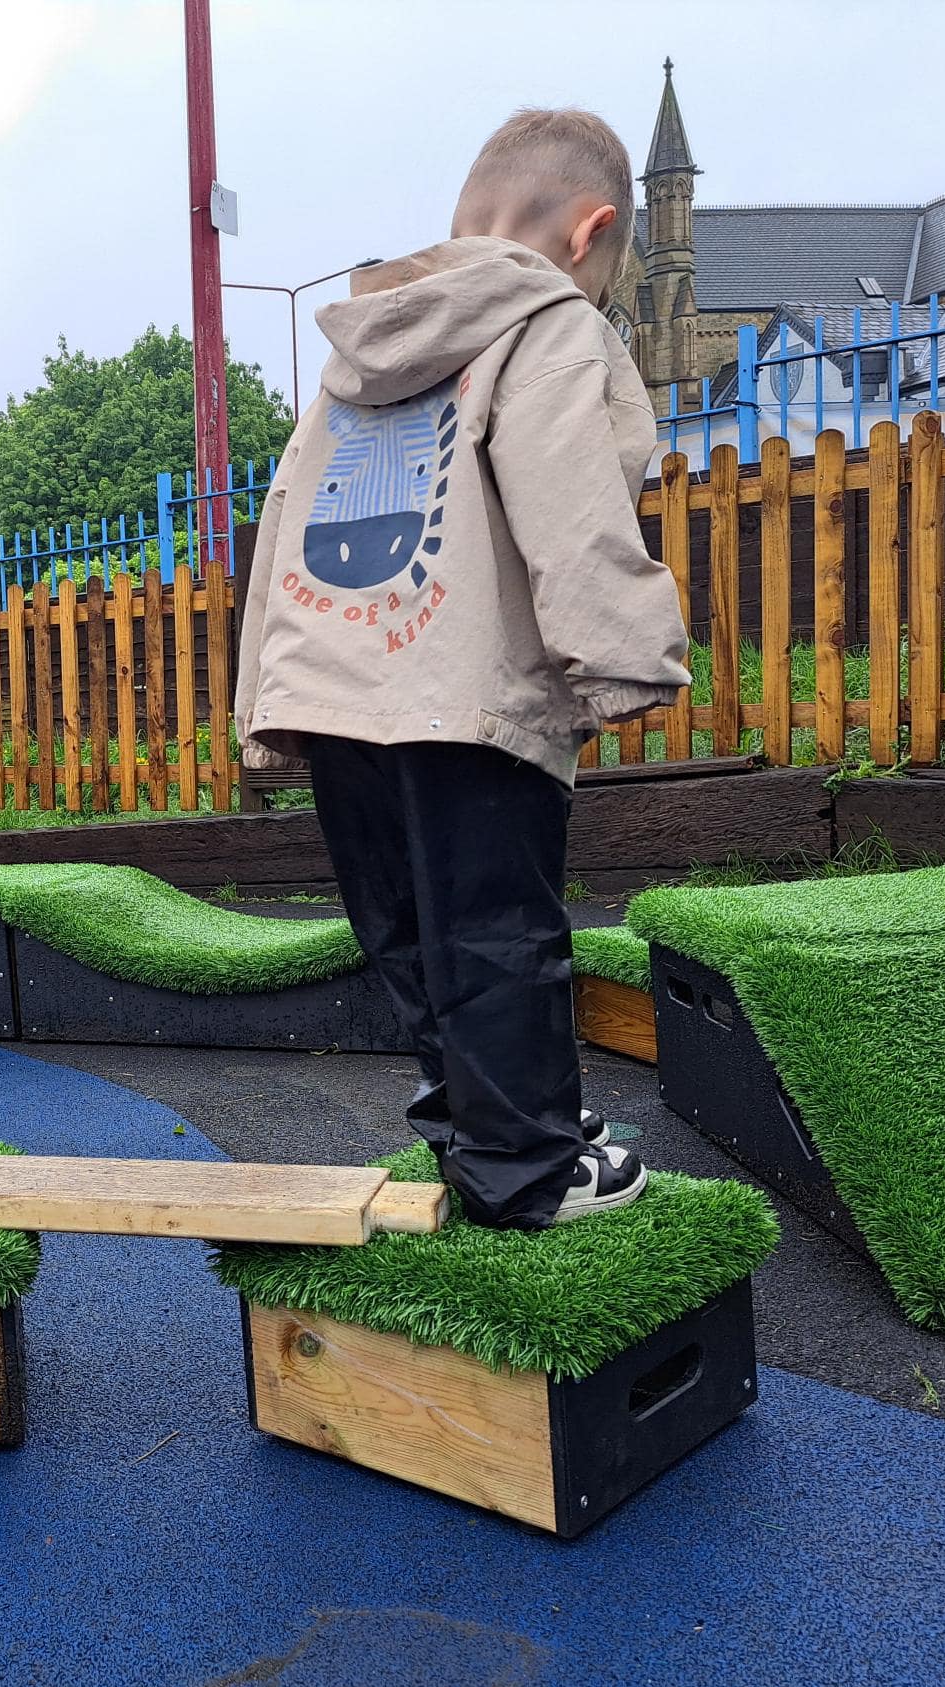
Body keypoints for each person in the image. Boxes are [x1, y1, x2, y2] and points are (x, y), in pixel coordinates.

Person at [234, 108, 690, 1230]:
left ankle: (479, 1123)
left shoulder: (360, 351)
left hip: (337, 691)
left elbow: (282, 525)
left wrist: (266, 700)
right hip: (462, 691)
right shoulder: (553, 332)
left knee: (403, 930)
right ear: (589, 234)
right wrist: (622, 658)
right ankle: (525, 1167)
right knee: (496, 929)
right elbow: (571, 503)